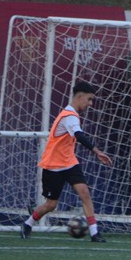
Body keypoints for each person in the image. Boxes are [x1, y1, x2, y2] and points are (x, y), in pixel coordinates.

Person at [21, 81, 113, 242]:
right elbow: (79, 136)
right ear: (80, 96)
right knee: (50, 205)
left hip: (69, 162)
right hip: (53, 165)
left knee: (85, 193)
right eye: (89, 99)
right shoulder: (69, 116)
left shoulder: (73, 115)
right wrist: (96, 151)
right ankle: (28, 223)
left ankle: (94, 233)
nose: (90, 104)